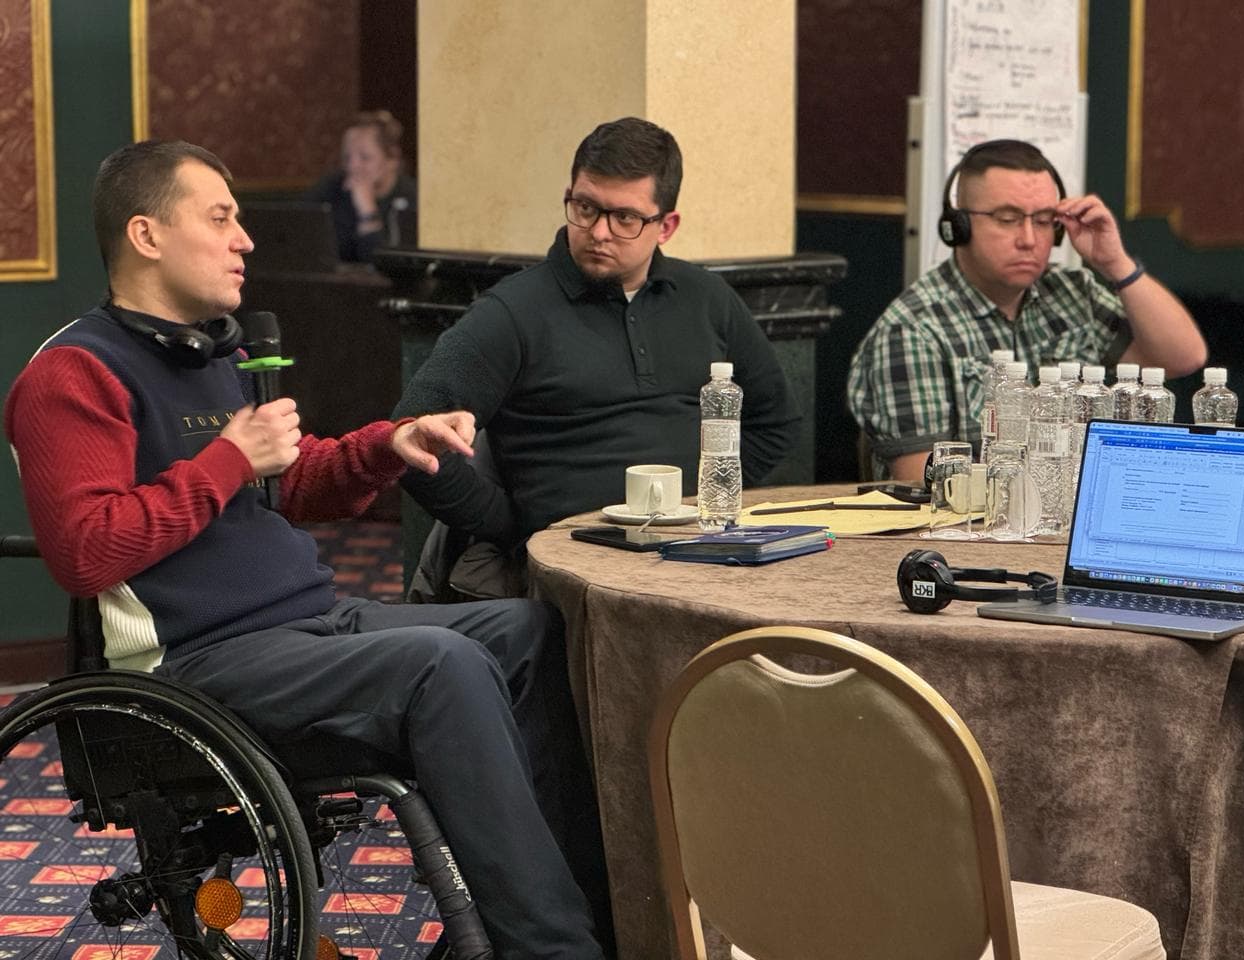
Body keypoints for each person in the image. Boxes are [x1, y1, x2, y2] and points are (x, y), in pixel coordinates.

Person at [3, 139, 607, 960]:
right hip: (198, 661)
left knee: (530, 632)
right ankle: (556, 950)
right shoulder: (73, 375)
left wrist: (390, 444)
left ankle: (575, 911)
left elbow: (290, 480)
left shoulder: (213, 350)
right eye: (220, 218)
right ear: (146, 235)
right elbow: (84, 552)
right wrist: (227, 460)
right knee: (442, 663)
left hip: (312, 623)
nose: (244, 239)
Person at [394, 116, 800, 594]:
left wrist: (709, 500)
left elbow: (777, 422)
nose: (599, 232)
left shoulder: (706, 298)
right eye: (585, 207)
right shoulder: (512, 311)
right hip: (571, 568)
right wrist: (511, 525)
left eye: (624, 218)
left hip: (701, 555)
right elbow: (409, 436)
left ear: (666, 226)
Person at [847, 138, 1208, 482]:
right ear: (959, 226)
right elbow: (920, 480)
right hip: (968, 531)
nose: (1030, 239)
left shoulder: (1071, 292)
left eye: (1042, 220)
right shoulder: (914, 329)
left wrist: (1115, 263)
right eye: (1007, 218)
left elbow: (1183, 357)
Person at [309, 109, 416, 262]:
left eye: (365, 157)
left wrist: (367, 211)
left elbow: (384, 266)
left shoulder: (412, 197)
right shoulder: (331, 189)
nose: (353, 166)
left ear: (392, 159)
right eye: (347, 157)